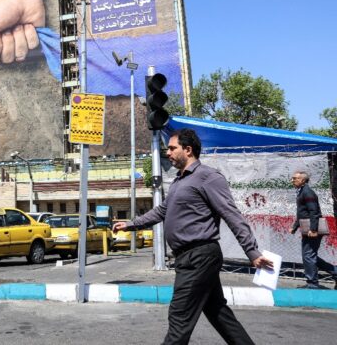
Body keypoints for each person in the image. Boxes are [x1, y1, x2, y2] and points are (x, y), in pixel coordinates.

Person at [113, 128, 273, 345]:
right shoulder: (179, 181)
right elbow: (161, 211)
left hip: (199, 256)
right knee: (218, 313)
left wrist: (252, 252)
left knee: (179, 317)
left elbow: (231, 214)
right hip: (188, 257)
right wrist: (130, 224)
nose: (168, 152)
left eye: (172, 148)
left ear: (188, 150)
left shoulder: (208, 177)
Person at [289, 170, 337, 289]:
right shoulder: (302, 192)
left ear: (303, 180)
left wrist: (314, 229)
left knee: (308, 255)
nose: (292, 180)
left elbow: (314, 212)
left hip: (312, 230)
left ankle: (312, 284)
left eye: (295, 178)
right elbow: (302, 213)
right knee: (310, 255)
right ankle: (335, 272)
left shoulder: (308, 192)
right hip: (308, 229)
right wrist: (294, 227)